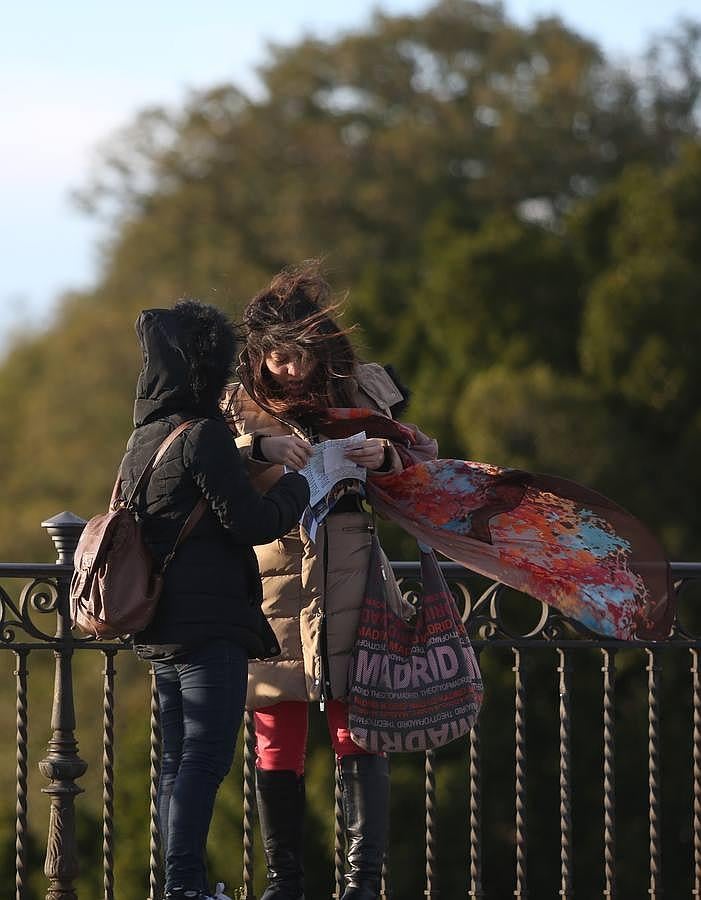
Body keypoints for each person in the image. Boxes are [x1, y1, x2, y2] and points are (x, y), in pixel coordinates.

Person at [223, 263, 433, 900]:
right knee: (274, 724)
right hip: (272, 573)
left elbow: (427, 467)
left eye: (300, 357)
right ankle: (286, 882)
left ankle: (362, 883)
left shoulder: (365, 391)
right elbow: (196, 465)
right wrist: (259, 453)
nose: (290, 370)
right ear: (258, 355)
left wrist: (386, 457)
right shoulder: (235, 402)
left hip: (351, 568)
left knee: (356, 722)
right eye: (278, 358)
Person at [119, 301, 310, 900]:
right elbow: (250, 522)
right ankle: (183, 886)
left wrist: (253, 458)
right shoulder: (202, 435)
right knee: (204, 759)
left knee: (178, 759)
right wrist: (300, 488)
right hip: (210, 628)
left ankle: (184, 883)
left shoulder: (144, 438)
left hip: (160, 625)